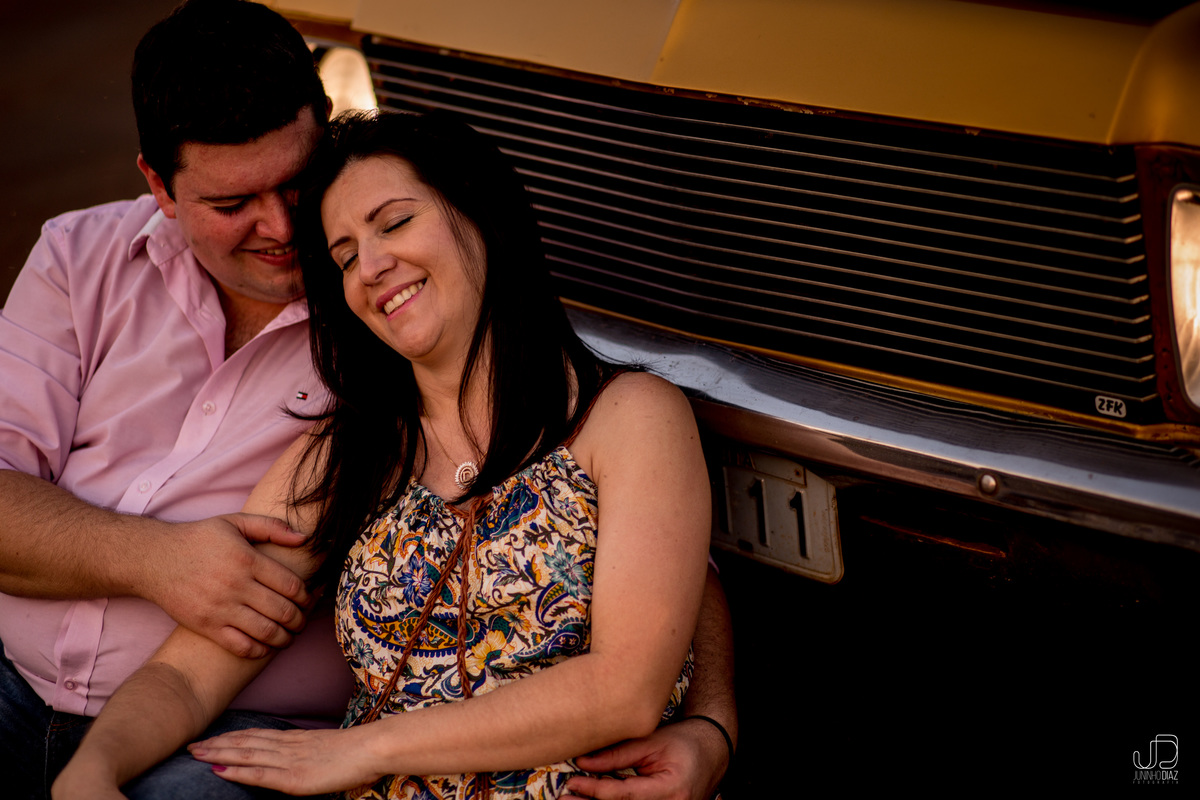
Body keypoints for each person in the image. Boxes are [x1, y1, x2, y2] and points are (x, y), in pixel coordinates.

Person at [2, 1, 735, 798]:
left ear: (478, 212)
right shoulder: (351, 445)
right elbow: (184, 673)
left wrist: (714, 723)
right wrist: (97, 764)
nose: (364, 264)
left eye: (394, 223)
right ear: (161, 186)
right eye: (345, 255)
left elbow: (643, 636)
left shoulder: (620, 415)